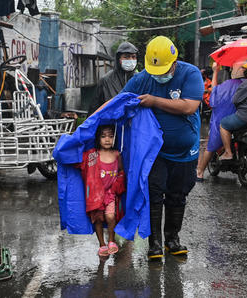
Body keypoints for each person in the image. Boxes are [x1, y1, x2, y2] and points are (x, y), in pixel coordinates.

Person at [120, 36, 203, 259]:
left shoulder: (190, 73)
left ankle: (172, 240)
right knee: (154, 195)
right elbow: (120, 102)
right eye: (155, 71)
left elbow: (189, 106)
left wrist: (154, 101)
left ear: (175, 61)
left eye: (164, 70)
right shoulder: (143, 78)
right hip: (154, 154)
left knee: (178, 195)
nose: (159, 75)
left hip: (186, 152)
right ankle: (154, 244)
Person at [78, 125, 126, 257]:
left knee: (111, 216)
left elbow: (121, 171)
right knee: (98, 220)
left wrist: (117, 185)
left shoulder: (117, 154)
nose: (107, 140)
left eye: (111, 136)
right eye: (103, 136)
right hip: (95, 195)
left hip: (110, 193)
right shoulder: (93, 155)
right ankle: (101, 244)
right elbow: (79, 162)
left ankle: (111, 240)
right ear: (98, 138)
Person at [196, 62, 243, 180]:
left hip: (224, 119)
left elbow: (213, 99)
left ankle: (199, 172)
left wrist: (216, 71)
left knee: (211, 146)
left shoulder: (227, 85)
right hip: (245, 120)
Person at [90, 42, 138, 113]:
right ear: (119, 59)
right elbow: (95, 107)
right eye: (126, 57)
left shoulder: (139, 79)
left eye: (133, 57)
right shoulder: (106, 80)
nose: (130, 60)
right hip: (111, 122)